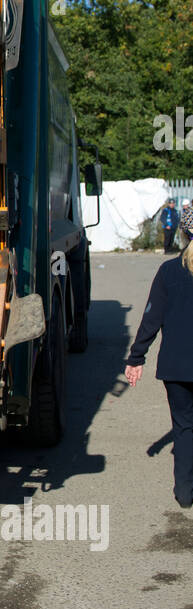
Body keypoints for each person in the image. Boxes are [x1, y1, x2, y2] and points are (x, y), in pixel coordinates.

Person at [125, 205, 193, 508]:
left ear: (183, 233)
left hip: (176, 367)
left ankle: (184, 492)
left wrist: (136, 358)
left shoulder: (169, 271)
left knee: (183, 427)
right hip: (177, 366)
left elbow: (151, 318)